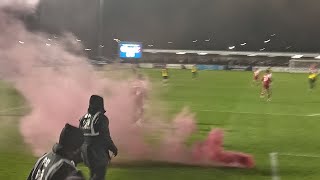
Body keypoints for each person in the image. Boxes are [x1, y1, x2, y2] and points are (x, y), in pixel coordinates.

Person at [79, 95, 118, 180]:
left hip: (86, 153)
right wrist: (113, 148)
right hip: (97, 154)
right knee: (99, 176)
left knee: (93, 174)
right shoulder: (101, 118)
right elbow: (105, 137)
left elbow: (80, 136)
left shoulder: (83, 118)